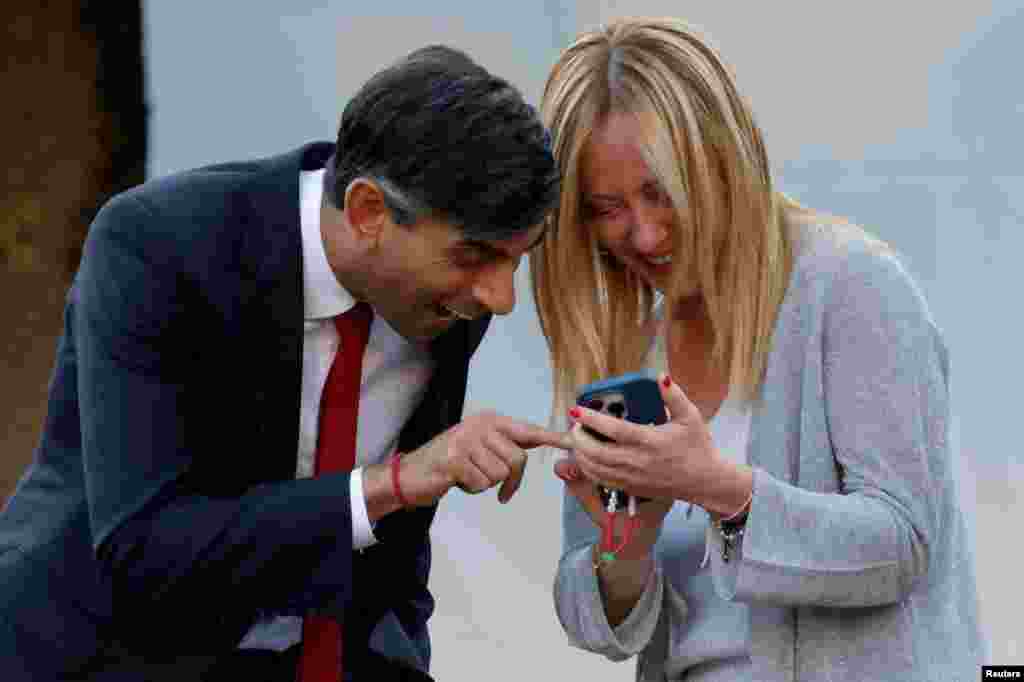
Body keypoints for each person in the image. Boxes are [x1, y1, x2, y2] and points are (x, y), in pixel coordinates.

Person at [0, 45, 565, 681]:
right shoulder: (159, 247)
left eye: (516, 260)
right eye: (474, 257)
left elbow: (390, 562)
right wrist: (393, 482)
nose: (501, 296)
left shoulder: (449, 300)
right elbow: (146, 546)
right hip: (97, 655)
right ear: (367, 212)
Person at [530, 17, 986, 681]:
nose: (646, 233)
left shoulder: (850, 285)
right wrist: (625, 546)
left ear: (722, 160)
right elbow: (597, 622)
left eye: (661, 192)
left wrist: (717, 489)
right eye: (608, 207)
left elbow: (902, 543)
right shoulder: (626, 353)